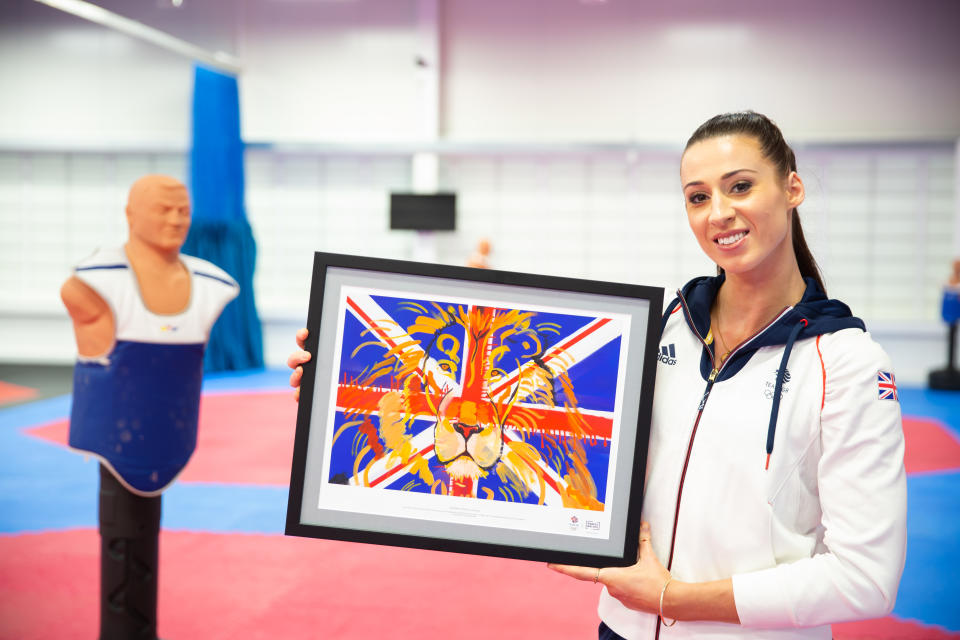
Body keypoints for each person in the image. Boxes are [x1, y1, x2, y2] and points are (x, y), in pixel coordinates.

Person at [286, 112, 907, 639]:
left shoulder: (848, 364)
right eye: (697, 196)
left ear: (792, 188)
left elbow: (866, 578)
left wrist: (672, 599)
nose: (719, 212)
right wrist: (341, 384)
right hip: (621, 626)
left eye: (740, 186)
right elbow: (532, 433)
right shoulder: (656, 333)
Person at [61, 174, 239, 640]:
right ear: (130, 214)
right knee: (124, 547)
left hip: (169, 438)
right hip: (114, 442)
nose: (177, 218)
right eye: (163, 208)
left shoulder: (212, 284)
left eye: (183, 209)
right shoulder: (92, 284)